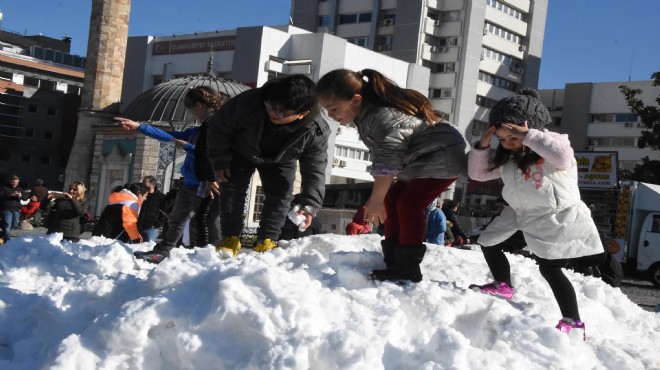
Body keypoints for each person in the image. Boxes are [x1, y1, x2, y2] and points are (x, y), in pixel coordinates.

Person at [467, 88, 604, 335]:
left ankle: (573, 321)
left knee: (549, 267)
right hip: (520, 213)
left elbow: (562, 156)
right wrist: (483, 146)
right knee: (488, 241)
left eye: (513, 139)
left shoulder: (554, 150)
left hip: (556, 215)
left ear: (531, 131)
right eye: (503, 140)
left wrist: (529, 135)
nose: (508, 145)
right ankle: (502, 284)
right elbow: (478, 174)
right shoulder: (509, 161)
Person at [316, 69, 468, 282]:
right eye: (326, 111)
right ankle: (394, 260)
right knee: (392, 200)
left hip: (444, 157)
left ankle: (407, 267)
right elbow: (386, 162)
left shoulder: (381, 116)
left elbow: (387, 161)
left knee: (409, 204)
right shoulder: (368, 116)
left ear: (356, 100)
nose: (331, 116)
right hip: (425, 160)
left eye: (333, 109)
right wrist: (378, 199)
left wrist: (375, 200)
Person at [206, 74, 330, 257]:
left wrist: (310, 203)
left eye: (283, 113)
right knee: (232, 186)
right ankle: (230, 237)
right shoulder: (250, 101)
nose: (274, 113)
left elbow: (315, 167)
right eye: (271, 107)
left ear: (302, 114)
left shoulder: (315, 129)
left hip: (282, 157)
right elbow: (218, 127)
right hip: (241, 148)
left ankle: (267, 239)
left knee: (281, 193)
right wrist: (220, 160)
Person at [118, 86, 225, 263]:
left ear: (199, 105)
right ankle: (163, 251)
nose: (192, 114)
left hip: (206, 185)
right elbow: (166, 136)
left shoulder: (216, 128)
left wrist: (187, 147)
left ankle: (212, 255)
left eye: (191, 109)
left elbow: (210, 153)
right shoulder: (194, 132)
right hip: (189, 184)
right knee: (176, 220)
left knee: (207, 221)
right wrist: (139, 126)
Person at [137, 176, 167, 242]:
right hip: (137, 227)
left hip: (150, 229)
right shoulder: (142, 195)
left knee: (148, 249)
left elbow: (164, 214)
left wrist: (156, 225)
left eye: (145, 182)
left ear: (152, 185)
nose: (143, 184)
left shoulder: (161, 197)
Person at [0, 174, 27, 243]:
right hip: (6, 208)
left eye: (17, 182)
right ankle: (7, 240)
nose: (15, 184)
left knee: (15, 224)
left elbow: (25, 198)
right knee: (7, 224)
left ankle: (3, 234)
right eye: (13, 182)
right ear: (10, 181)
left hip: (16, 209)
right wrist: (10, 195)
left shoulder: (20, 188)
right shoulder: (4, 187)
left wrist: (21, 196)